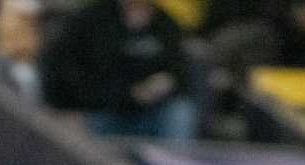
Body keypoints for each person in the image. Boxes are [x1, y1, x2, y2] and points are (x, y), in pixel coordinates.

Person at [43, 0, 199, 141]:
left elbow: (181, 74)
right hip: (99, 112)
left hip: (148, 114)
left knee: (179, 112)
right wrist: (127, 94)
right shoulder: (90, 20)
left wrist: (164, 83)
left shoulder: (166, 24)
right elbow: (64, 72)